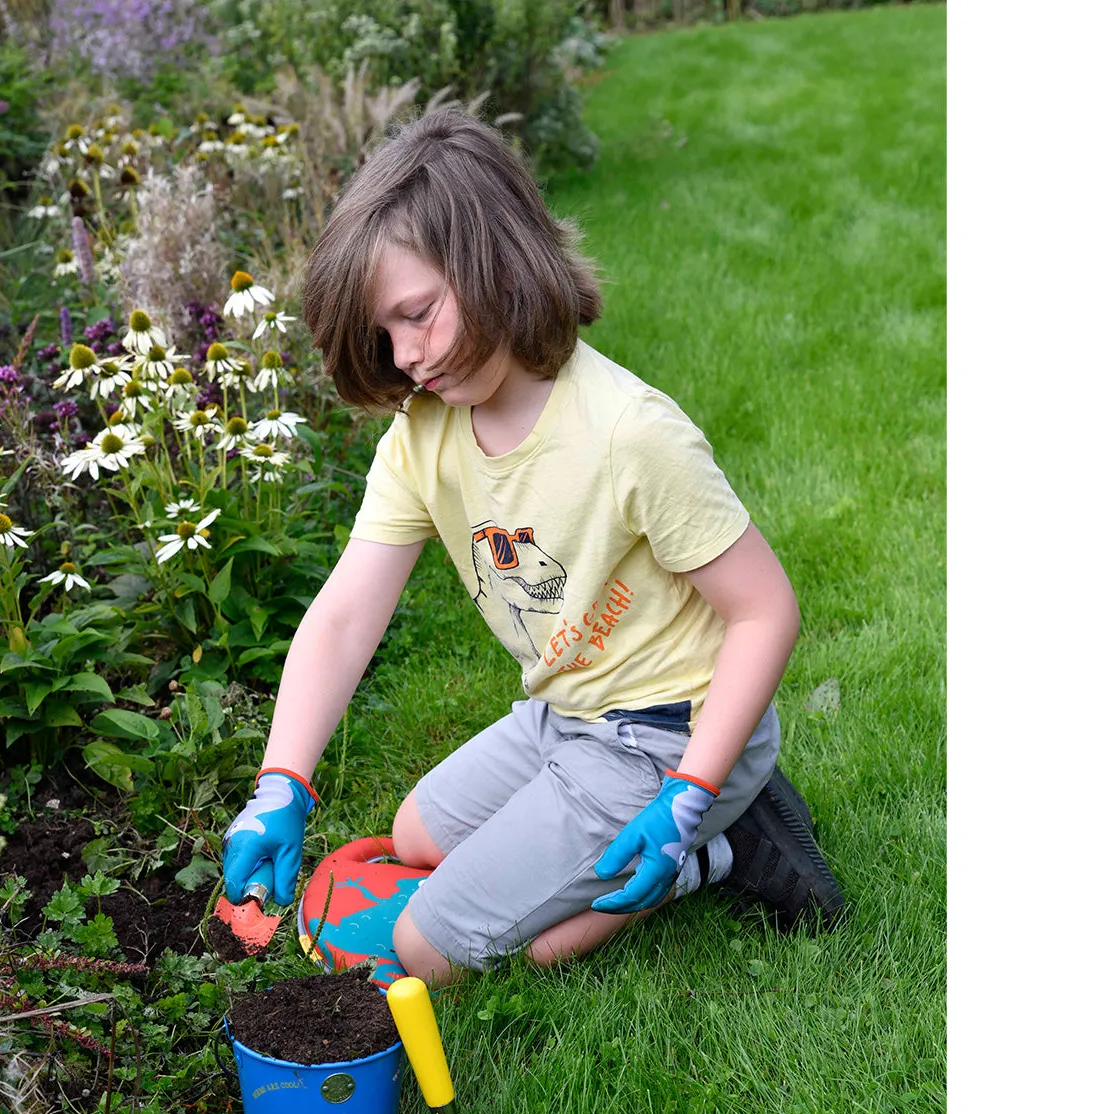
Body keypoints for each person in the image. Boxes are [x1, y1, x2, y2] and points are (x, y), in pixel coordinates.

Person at [220, 107, 844, 988]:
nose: (406, 358)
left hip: (673, 738)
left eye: (418, 315)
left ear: (497, 263)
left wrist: (687, 795)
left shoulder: (629, 433)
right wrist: (281, 781)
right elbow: (346, 614)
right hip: (566, 716)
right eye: (385, 334)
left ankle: (722, 846)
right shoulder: (421, 435)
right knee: (414, 837)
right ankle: (691, 829)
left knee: (432, 948)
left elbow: (764, 610)